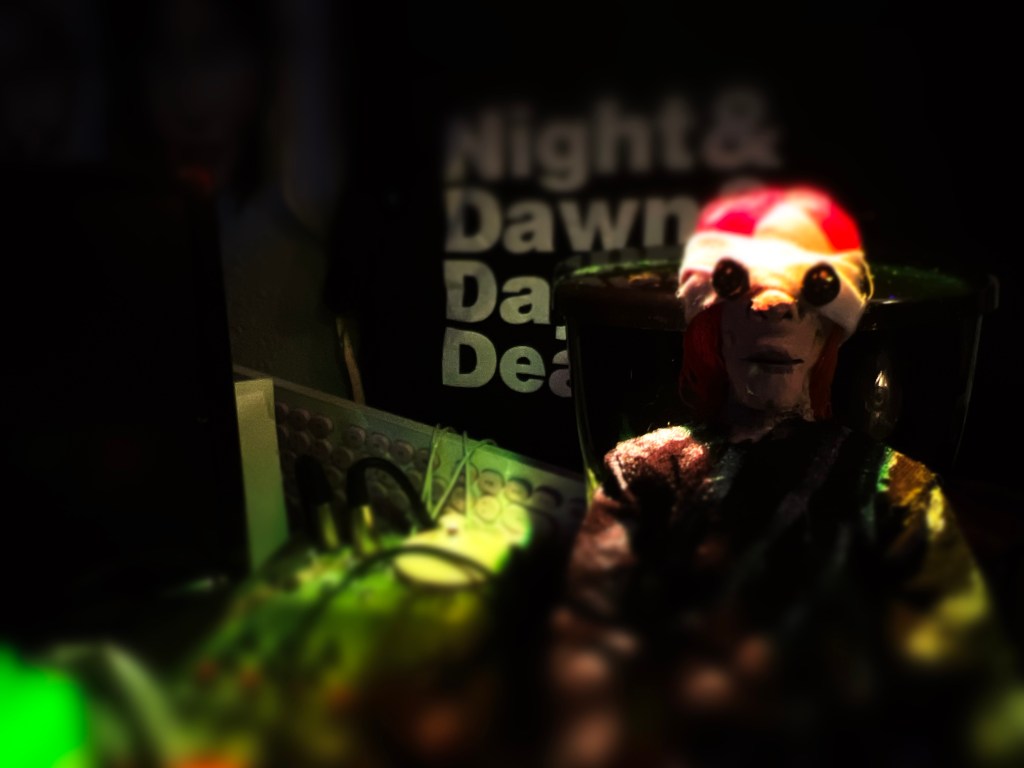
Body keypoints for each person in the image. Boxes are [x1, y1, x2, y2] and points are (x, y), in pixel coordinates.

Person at [545, 186, 1023, 768]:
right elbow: (589, 644)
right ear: (715, 328)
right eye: (742, 290)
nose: (774, 308)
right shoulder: (645, 470)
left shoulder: (894, 486)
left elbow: (964, 667)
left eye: (806, 294)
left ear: (825, 335)